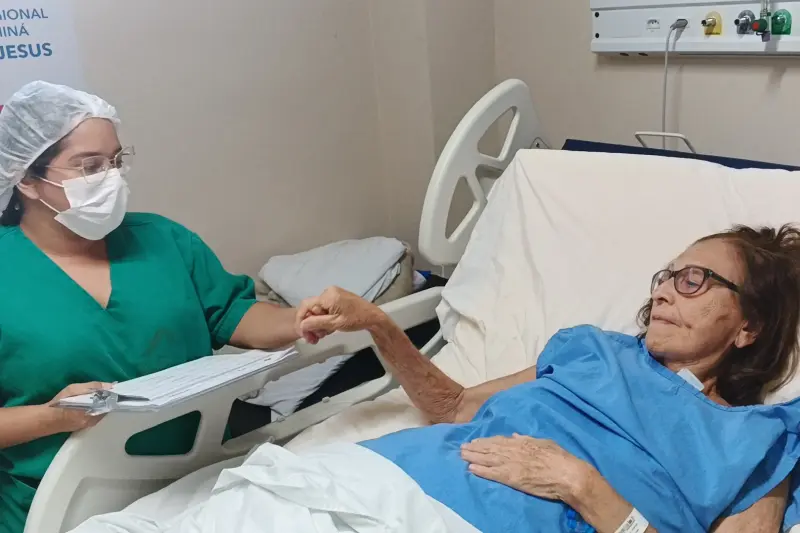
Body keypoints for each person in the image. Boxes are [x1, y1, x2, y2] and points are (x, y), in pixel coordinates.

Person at [294, 224, 800, 532]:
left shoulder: (758, 443)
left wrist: (582, 486)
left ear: (749, 326)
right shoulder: (594, 350)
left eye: (694, 281)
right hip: (388, 479)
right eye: (666, 276)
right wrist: (378, 324)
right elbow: (452, 407)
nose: (663, 291)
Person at [0, 82, 301, 533]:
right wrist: (54, 417)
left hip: (199, 480)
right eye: (90, 166)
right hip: (65, 506)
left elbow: (232, 314)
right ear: (26, 178)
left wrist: (301, 319)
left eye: (116, 160)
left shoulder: (162, 240)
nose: (111, 177)